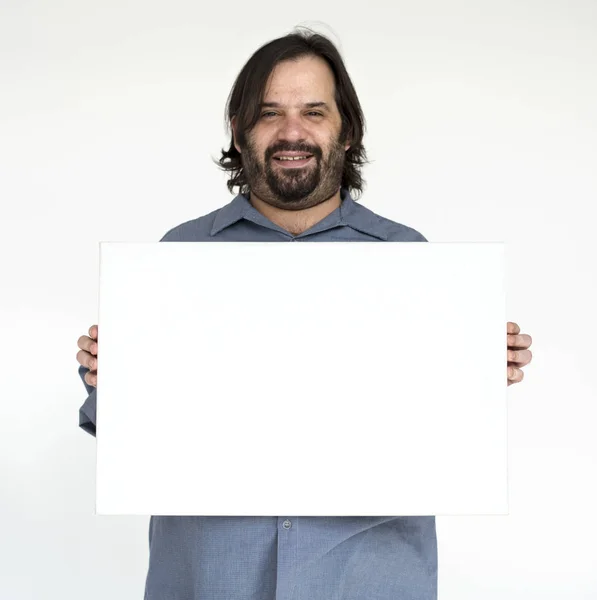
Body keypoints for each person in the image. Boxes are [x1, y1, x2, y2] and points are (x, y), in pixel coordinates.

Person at [76, 28, 533, 600]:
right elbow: (128, 431)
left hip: (369, 578)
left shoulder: (410, 259)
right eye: (270, 113)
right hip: (212, 578)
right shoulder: (175, 257)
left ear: (347, 131)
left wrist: (479, 370)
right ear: (240, 134)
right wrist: (109, 378)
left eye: (313, 111)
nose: (292, 132)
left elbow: (443, 427)